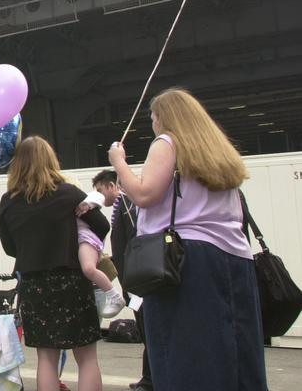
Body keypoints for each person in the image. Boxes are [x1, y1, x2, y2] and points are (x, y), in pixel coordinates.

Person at [108, 88, 266, 390]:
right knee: (236, 350)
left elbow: (144, 194)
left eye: (153, 117)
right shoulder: (216, 150)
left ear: (165, 118)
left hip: (185, 261)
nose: (153, 124)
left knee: (185, 351)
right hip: (234, 258)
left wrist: (119, 162)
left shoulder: (167, 142)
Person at [0, 137, 104, 391]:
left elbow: (10, 247)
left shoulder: (8, 201)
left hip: (34, 285)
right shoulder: (70, 194)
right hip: (72, 281)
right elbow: (102, 225)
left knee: (46, 357)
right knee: (86, 356)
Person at [93, 170, 152, 391]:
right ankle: (148, 377)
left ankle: (151, 379)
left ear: (111, 185)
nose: (99, 195)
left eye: (100, 190)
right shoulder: (122, 206)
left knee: (148, 329)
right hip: (132, 276)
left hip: (137, 276)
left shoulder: (127, 204)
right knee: (146, 328)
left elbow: (134, 239)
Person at [75, 190, 124, 317]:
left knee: (88, 269)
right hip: (81, 240)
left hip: (85, 238)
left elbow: (98, 195)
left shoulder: (79, 201)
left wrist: (87, 203)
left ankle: (114, 296)